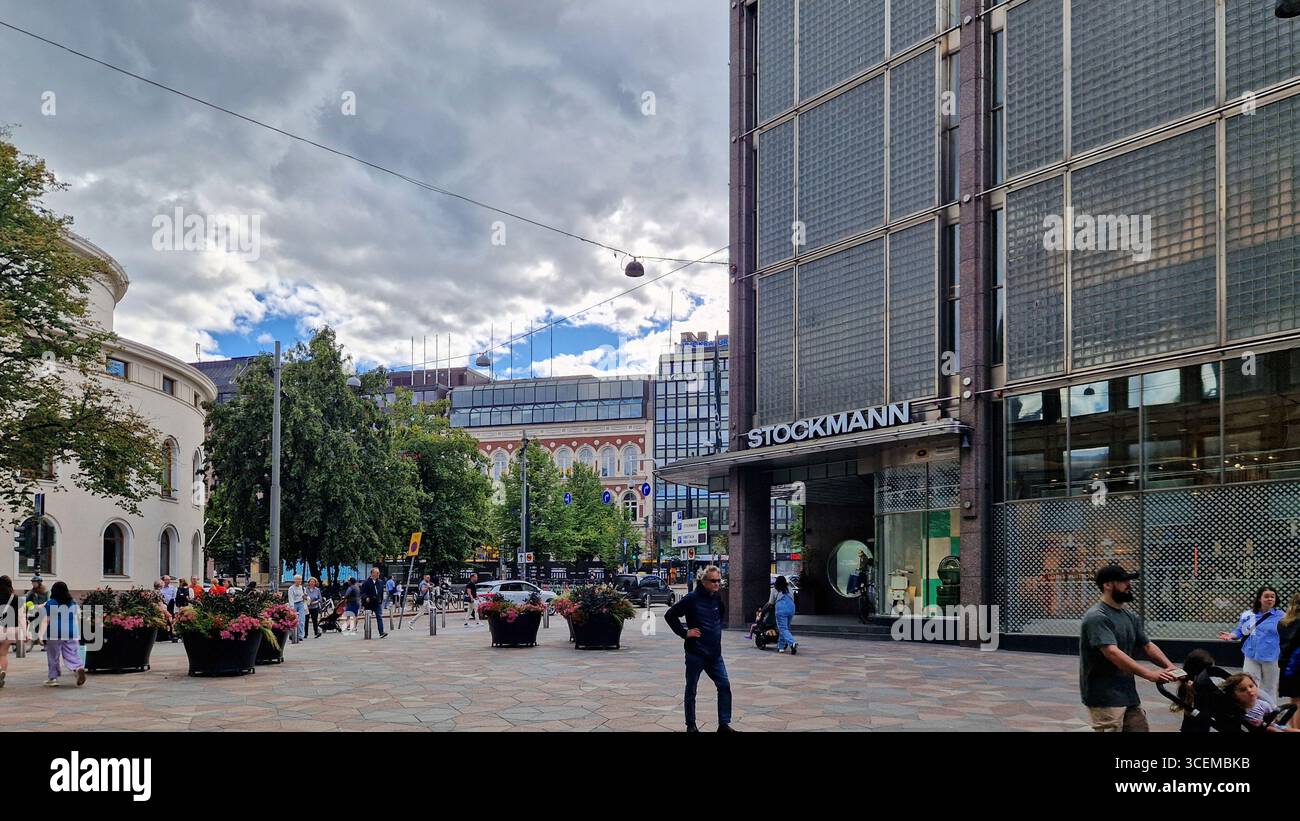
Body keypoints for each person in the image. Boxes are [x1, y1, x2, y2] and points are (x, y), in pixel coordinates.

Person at [1079, 564, 1177, 732]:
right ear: (1107, 585)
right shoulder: (1097, 617)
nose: (1129, 585)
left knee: (1139, 728)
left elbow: (1147, 645)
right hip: (1103, 695)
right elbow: (1112, 652)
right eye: (1123, 581)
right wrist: (1148, 674)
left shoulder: (1129, 616)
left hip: (1127, 693)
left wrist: (1170, 667)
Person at [664, 565, 735, 732]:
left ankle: (724, 724)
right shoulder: (692, 598)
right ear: (704, 581)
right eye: (713, 581)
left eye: (719, 580)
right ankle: (691, 725)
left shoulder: (716, 598)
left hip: (715, 654)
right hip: (695, 653)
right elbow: (670, 615)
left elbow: (720, 615)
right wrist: (684, 632)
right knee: (691, 690)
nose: (717, 584)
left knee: (724, 686)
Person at [1218, 586, 1286, 704]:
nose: (1270, 599)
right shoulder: (1249, 614)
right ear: (1259, 598)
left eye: (1272, 597)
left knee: (1270, 687)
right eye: (1266, 596)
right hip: (1251, 655)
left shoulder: (1281, 616)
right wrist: (1231, 635)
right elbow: (1241, 630)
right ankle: (1253, 711)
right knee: (1250, 684)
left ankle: (1271, 711)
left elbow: (1289, 632)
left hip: (1271, 657)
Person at [39, 581, 85, 688]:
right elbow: (77, 617)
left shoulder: (51, 603)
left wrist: (41, 635)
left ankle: (53, 678)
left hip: (54, 633)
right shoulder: (72, 602)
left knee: (53, 656)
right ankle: (78, 668)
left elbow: (46, 620)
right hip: (71, 632)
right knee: (72, 653)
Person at [1221, 672, 1298, 732]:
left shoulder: (1263, 704)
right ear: (1234, 695)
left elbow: (1274, 717)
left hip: (1269, 724)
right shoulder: (1237, 709)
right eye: (1243, 690)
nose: (1249, 690)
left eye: (1251, 686)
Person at [1277, 591, 1300, 729]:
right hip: (1297, 665)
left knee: (1294, 701)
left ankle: (1292, 729)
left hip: (1287, 666)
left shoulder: (1283, 622)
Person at [0, 575, 24, 689]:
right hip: (11, 629)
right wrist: (24, 632)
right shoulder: (17, 599)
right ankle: (2, 671)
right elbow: (21, 617)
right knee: (3, 654)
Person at [360, 568, 388, 638]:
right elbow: (362, 593)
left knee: (379, 617)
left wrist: (381, 600)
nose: (378, 574)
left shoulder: (380, 582)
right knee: (368, 618)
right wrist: (366, 598)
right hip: (369, 603)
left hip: (377, 603)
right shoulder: (366, 582)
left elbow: (381, 592)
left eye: (379, 573)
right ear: (372, 574)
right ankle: (367, 631)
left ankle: (381, 632)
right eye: (377, 573)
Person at [773, 575, 798, 654]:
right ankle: (781, 647)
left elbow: (770, 602)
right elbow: (793, 598)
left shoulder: (775, 590)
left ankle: (792, 643)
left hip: (781, 609)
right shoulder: (789, 589)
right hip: (791, 608)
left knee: (783, 628)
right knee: (785, 628)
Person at [286, 575, 307, 641]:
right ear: (294, 580)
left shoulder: (303, 588)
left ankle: (301, 635)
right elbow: (291, 599)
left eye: (300, 579)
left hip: (301, 603)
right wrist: (292, 609)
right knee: (292, 619)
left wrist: (305, 597)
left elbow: (305, 597)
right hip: (294, 604)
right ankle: (291, 634)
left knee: (301, 620)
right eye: (297, 579)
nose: (299, 581)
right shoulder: (291, 588)